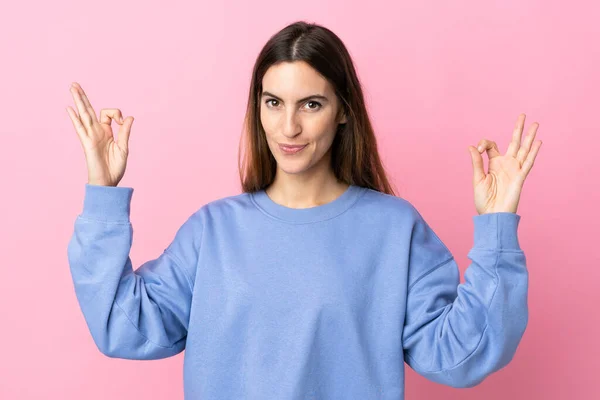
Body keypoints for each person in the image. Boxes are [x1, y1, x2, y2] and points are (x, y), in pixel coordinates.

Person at [66, 20, 542, 399]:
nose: (288, 127)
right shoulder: (212, 231)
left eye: (310, 104)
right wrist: (103, 193)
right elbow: (122, 328)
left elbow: (460, 357)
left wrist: (497, 228)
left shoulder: (395, 230)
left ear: (343, 110)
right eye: (273, 102)